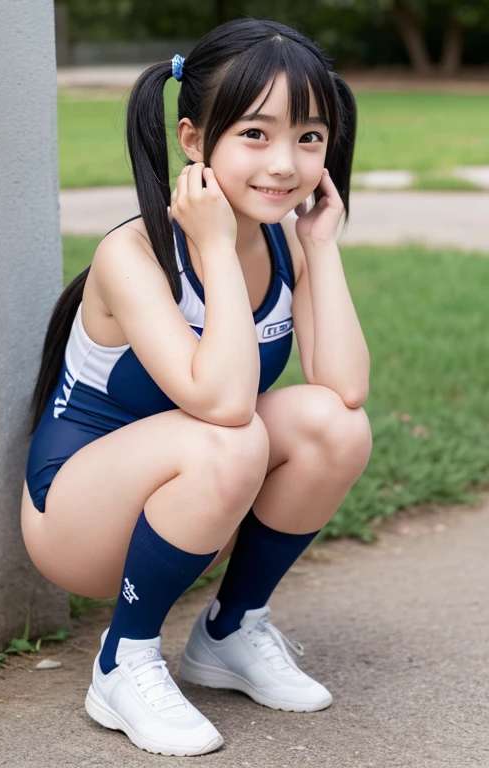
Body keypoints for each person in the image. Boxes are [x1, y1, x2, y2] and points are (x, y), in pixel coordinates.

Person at [21, 17, 371, 758]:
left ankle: (229, 632)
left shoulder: (284, 240)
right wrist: (213, 248)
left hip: (196, 501)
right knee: (231, 431)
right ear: (192, 142)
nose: (286, 163)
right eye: (255, 134)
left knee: (334, 425)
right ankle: (123, 659)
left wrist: (321, 247)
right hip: (79, 518)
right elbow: (221, 403)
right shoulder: (133, 251)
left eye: (310, 138)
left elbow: (343, 388)